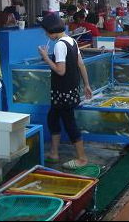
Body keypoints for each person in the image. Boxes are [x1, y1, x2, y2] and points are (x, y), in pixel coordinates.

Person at [38, 12, 93, 170]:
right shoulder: (72, 41)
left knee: (69, 123)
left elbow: (60, 71)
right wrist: (87, 85)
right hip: (69, 89)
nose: (46, 34)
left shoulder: (60, 45)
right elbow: (81, 64)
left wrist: (45, 57)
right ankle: (54, 152)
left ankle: (82, 158)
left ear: (51, 30)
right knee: (53, 117)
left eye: (46, 31)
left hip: (62, 91)